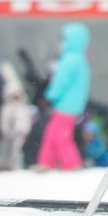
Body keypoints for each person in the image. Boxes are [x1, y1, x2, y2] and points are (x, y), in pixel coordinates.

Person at [35, 23, 92, 170]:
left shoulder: (70, 60)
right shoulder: (80, 59)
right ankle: (46, 162)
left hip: (65, 104)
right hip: (73, 104)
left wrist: (50, 96)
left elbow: (60, 82)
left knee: (59, 135)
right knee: (53, 133)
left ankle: (71, 163)